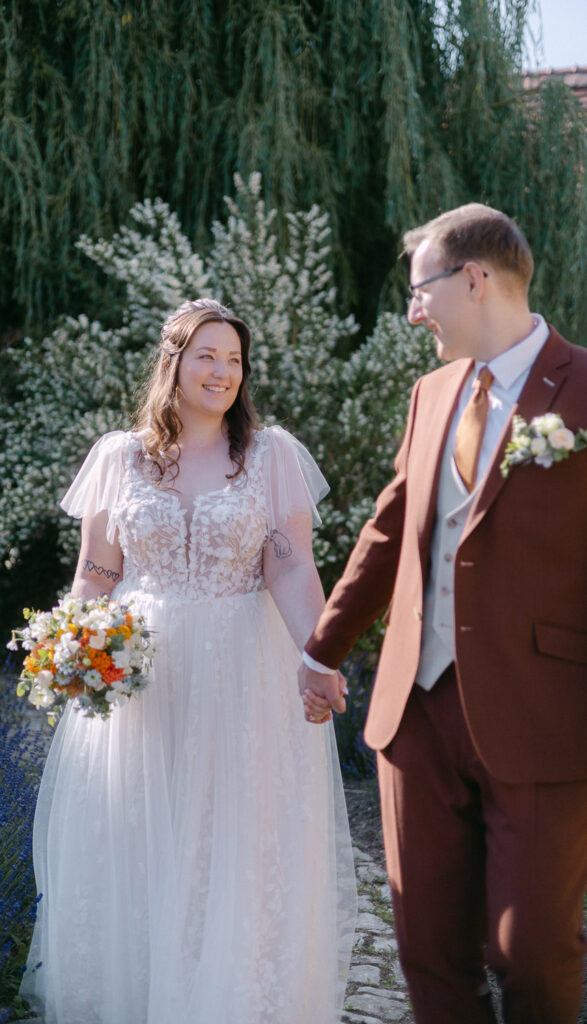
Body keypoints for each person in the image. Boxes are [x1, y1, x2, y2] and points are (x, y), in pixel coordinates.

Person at [20, 297, 356, 1024]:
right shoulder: (120, 456)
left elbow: (291, 568)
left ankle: (227, 998)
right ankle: (138, 992)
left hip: (241, 672)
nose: (222, 371)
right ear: (172, 363)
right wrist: (75, 644)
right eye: (206, 354)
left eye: (234, 359)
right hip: (139, 675)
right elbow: (97, 573)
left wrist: (318, 651)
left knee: (229, 836)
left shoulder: (270, 456)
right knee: (138, 829)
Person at [298, 203, 587, 1024]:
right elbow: (392, 527)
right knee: (426, 948)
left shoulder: (586, 388)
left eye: (419, 290)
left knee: (531, 952)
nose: (411, 310)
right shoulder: (430, 393)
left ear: (473, 279)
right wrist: (323, 650)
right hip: (415, 712)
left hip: (543, 715)